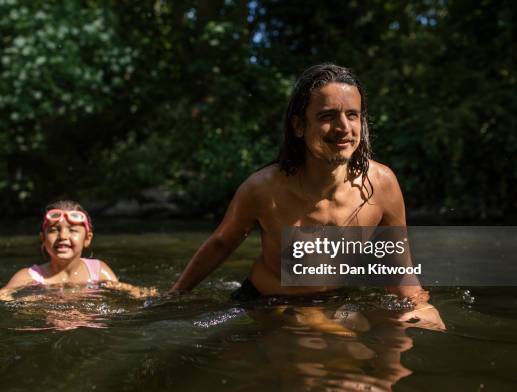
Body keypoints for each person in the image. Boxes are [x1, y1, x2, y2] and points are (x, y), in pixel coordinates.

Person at [170, 63, 444, 329]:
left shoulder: (383, 185)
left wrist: (419, 306)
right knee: (338, 344)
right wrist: (174, 297)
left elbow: (399, 269)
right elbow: (221, 243)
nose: (343, 128)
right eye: (327, 116)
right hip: (268, 302)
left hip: (332, 301)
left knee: (391, 339)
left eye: (352, 115)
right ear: (299, 126)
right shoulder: (262, 189)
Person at [0, 200, 156, 301]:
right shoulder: (29, 276)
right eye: (54, 230)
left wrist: (143, 294)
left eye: (73, 230)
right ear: (42, 238)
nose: (63, 236)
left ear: (87, 239)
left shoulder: (98, 271)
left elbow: (126, 289)